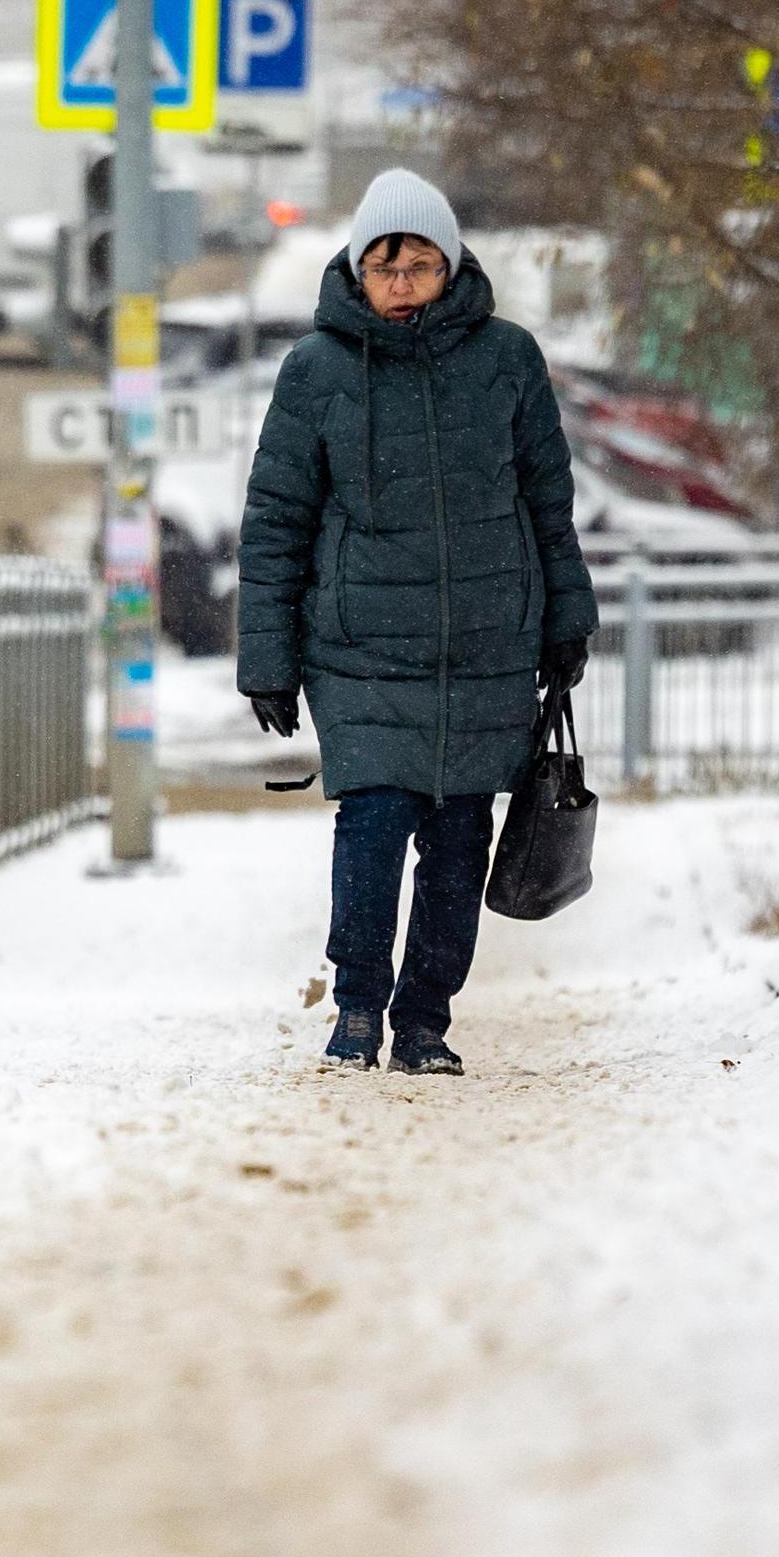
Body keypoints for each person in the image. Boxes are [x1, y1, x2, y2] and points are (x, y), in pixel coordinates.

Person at [227, 170, 593, 1074]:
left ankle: (426, 1017)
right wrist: (266, 658)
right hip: (358, 649)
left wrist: (565, 620)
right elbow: (276, 518)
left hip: (484, 647)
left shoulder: (507, 360)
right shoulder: (314, 372)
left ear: (449, 265)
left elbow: (550, 501)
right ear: (357, 270)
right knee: (375, 820)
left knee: (462, 837)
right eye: (384, 265)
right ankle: (357, 1005)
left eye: (419, 264)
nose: (400, 282)